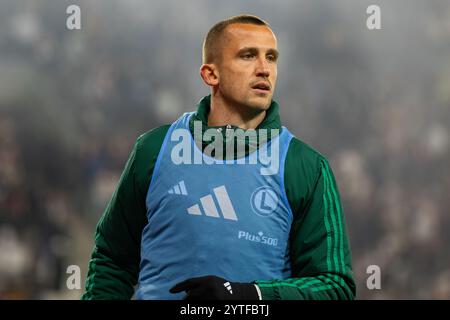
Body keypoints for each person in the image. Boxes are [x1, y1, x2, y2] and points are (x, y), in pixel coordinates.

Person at [82, 14, 356, 300]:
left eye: (272, 57)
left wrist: (249, 295)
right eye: (248, 56)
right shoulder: (154, 149)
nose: (264, 69)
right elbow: (111, 260)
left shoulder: (305, 167)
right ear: (211, 74)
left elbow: (335, 287)